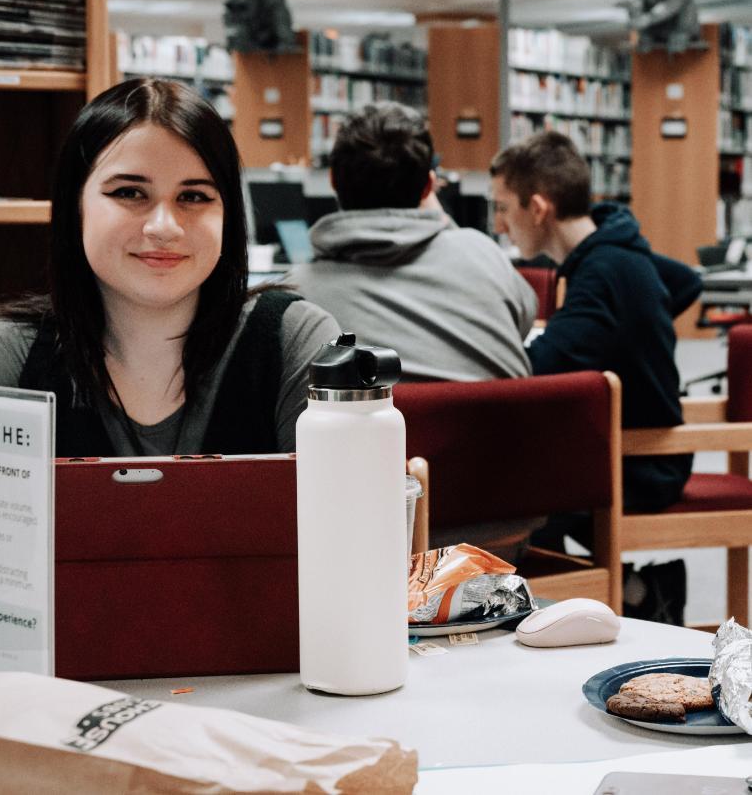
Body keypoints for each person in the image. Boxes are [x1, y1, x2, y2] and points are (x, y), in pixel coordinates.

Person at [0, 77, 339, 456]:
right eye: (129, 192)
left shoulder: (294, 340)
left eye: (194, 196)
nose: (164, 227)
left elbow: (342, 514)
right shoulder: (4, 357)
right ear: (75, 207)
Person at [490, 130, 702, 624]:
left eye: (503, 208)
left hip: (644, 464)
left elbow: (535, 371)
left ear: (538, 207)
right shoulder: (613, 248)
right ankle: (629, 594)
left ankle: (568, 612)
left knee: (517, 490)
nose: (500, 225)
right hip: (633, 448)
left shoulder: (604, 272)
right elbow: (685, 281)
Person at [286, 102, 537, 382]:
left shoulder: (291, 298)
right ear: (429, 187)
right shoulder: (485, 254)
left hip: (376, 427)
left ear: (332, 180)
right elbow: (523, 324)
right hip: (504, 426)